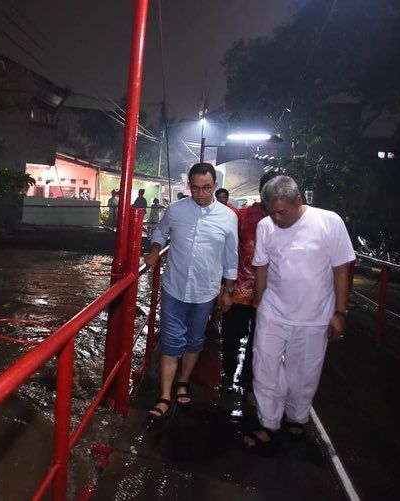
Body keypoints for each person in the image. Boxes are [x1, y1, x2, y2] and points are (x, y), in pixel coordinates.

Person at [243, 176, 355, 450]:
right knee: (264, 367)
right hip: (273, 310)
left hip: (314, 315)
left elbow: (341, 269)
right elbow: (262, 266)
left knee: (304, 372)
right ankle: (268, 422)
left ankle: (296, 416)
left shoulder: (329, 222)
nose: (277, 218)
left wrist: (340, 313)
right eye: (271, 212)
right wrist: (258, 304)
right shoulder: (265, 226)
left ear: (299, 201)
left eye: (283, 212)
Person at [144, 162, 238, 424]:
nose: (200, 193)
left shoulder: (229, 217)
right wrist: (154, 249)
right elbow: (161, 231)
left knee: (195, 340)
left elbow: (231, 258)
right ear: (189, 187)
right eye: (194, 188)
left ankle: (183, 382)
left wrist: (228, 291)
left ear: (215, 185)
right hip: (174, 286)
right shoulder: (176, 210)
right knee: (172, 340)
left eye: (206, 188)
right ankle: (164, 397)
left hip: (205, 290)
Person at [221, 171, 281, 398]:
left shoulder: (287, 220)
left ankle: (248, 383)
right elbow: (228, 253)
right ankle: (228, 374)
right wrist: (224, 287)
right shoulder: (243, 216)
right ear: (261, 191)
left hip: (272, 295)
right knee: (230, 336)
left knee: (261, 342)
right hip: (239, 290)